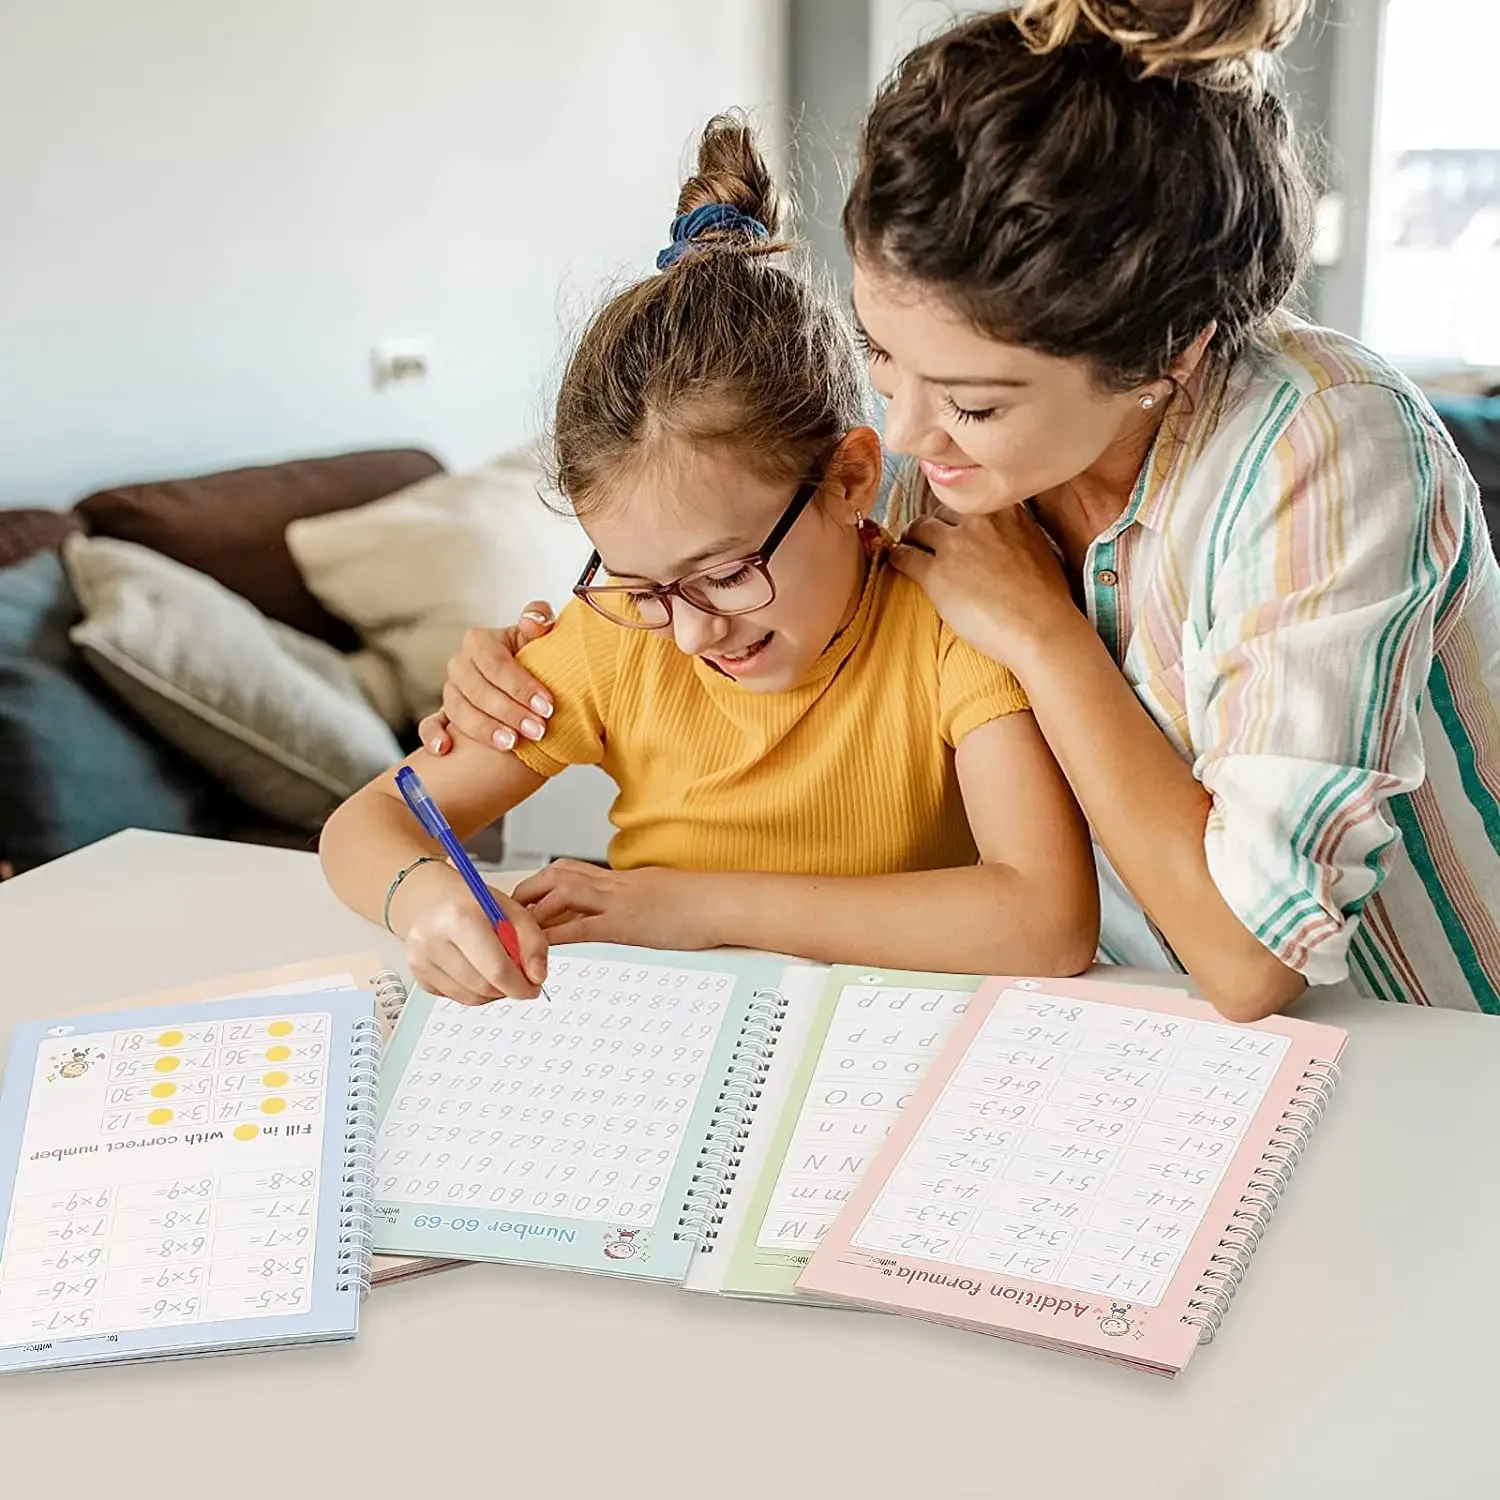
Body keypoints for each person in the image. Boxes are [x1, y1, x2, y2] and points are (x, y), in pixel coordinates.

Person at [422, 0, 1500, 1021]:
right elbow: (711, 556)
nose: (903, 438)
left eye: (977, 404)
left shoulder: (1324, 451)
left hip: (1431, 1042)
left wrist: (1042, 631)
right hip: (1123, 1026)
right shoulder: (921, 462)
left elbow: (1251, 959)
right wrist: (513, 668)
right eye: (883, 356)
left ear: (1165, 355)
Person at [319, 118, 1099, 1008]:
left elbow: (1045, 922)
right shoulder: (616, 642)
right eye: (643, 588)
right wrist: (428, 901)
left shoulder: (952, 625)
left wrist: (696, 906)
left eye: (727, 574)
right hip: (657, 1043)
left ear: (851, 477)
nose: (690, 633)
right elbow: (364, 824)